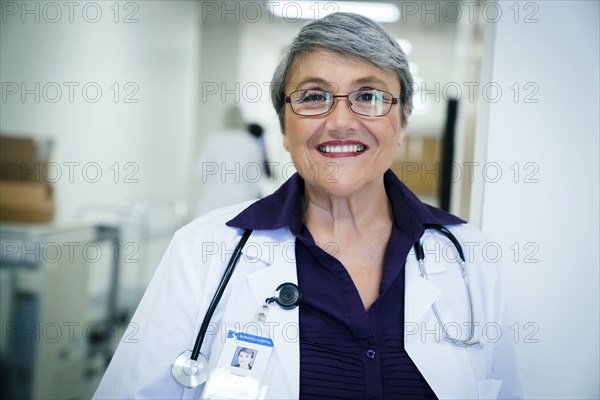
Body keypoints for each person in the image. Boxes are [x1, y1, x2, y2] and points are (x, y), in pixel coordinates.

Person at [93, 12, 523, 400]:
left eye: (369, 96)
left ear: (403, 120)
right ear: (284, 125)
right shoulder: (200, 251)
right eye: (314, 97)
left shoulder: (471, 258)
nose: (339, 121)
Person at [194, 106, 265, 217]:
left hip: (213, 205)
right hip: (241, 205)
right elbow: (255, 178)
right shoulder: (250, 143)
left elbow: (201, 173)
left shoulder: (214, 141)